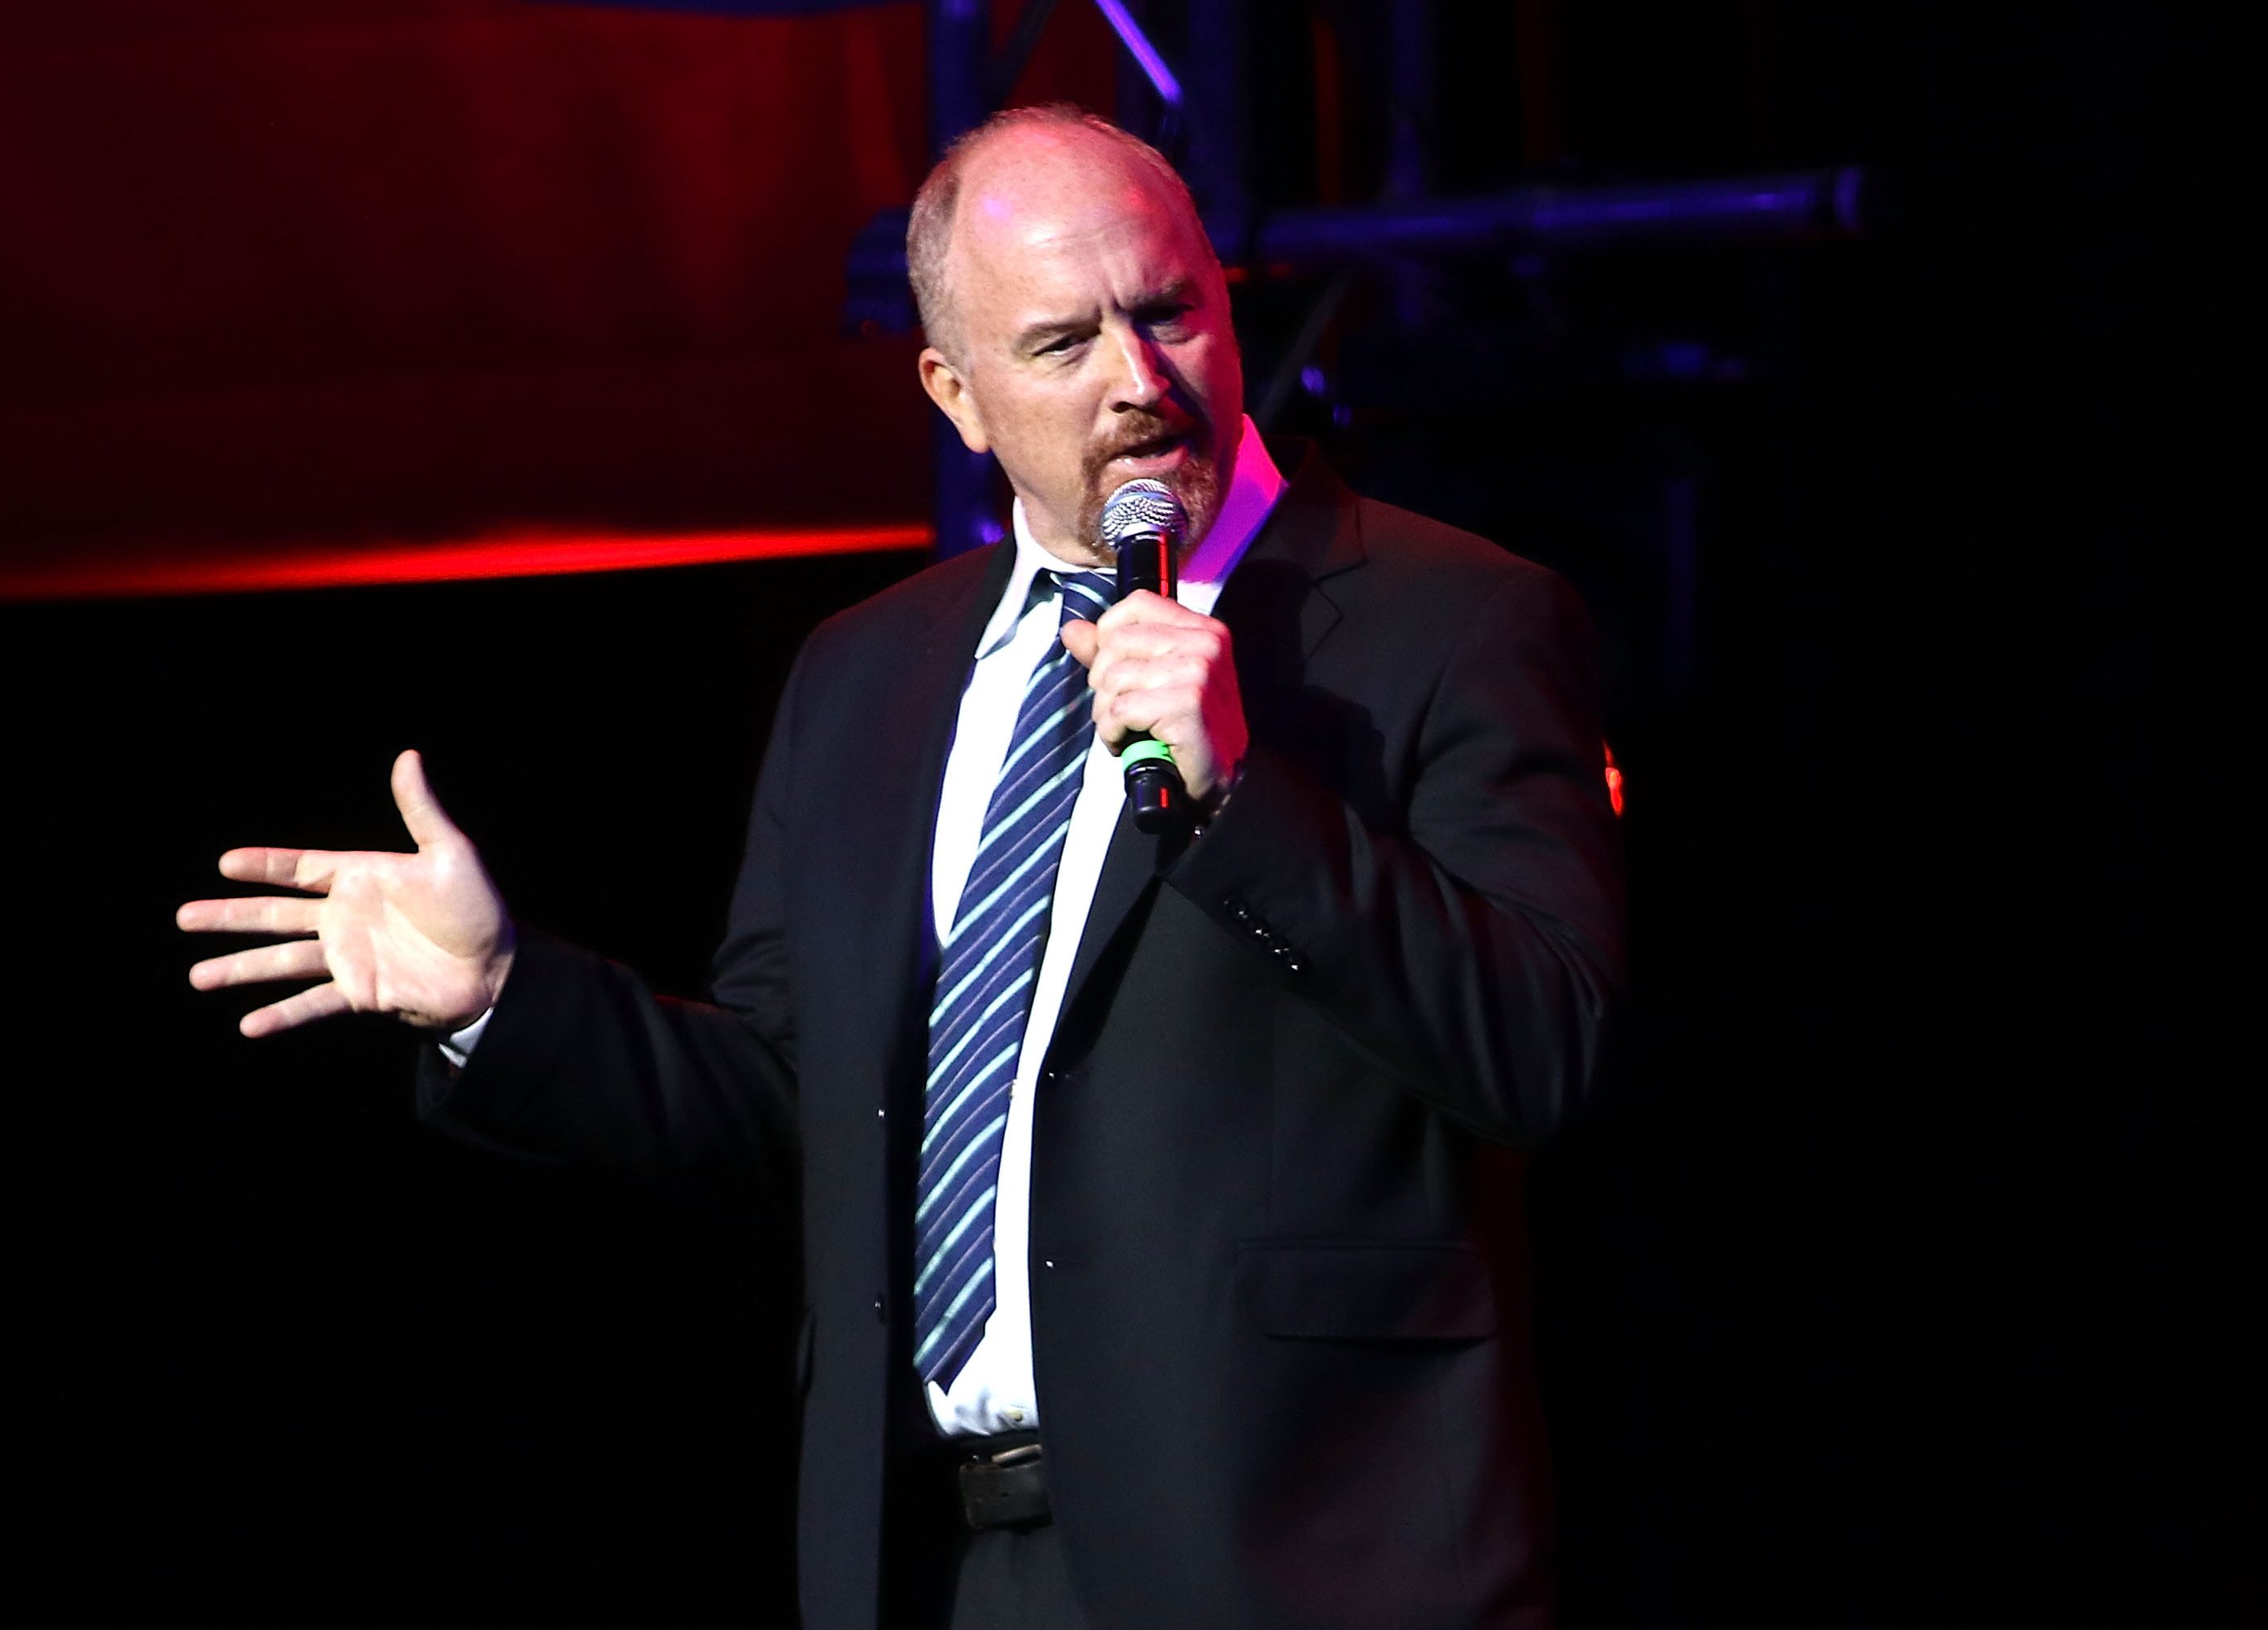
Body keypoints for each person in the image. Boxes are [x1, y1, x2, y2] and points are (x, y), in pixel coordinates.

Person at [179, 105, 1622, 1630]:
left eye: (1172, 312)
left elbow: (1545, 1048)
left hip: (1302, 1557)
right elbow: (801, 1107)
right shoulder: (869, 673)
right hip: (942, 1561)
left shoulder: (1453, 619)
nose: (1140, 385)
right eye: (1064, 344)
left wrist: (1243, 797)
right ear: (958, 392)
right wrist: (502, 998)